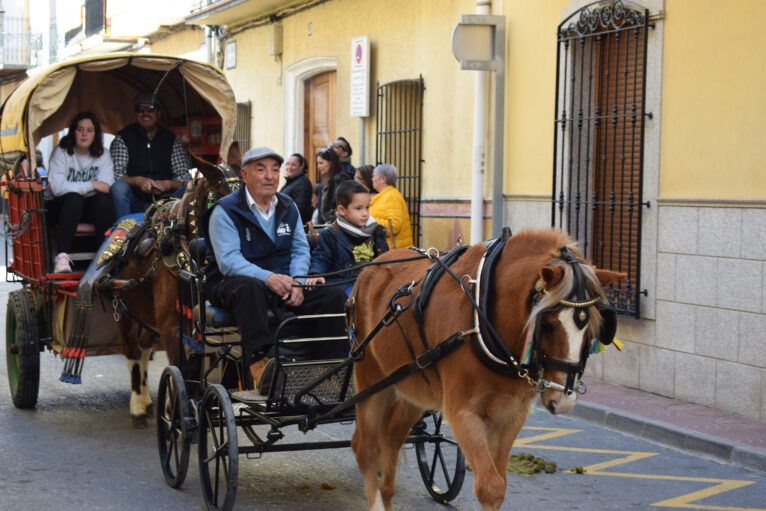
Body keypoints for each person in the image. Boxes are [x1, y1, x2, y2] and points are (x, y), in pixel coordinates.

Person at [201, 146, 348, 394]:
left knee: (332, 295)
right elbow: (229, 261)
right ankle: (261, 364)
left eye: (275, 170)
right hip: (235, 282)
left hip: (284, 280)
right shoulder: (225, 210)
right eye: (261, 170)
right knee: (248, 288)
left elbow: (300, 249)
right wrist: (268, 278)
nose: (270, 176)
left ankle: (328, 368)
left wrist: (299, 281)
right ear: (245, 175)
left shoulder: (287, 206)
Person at [46, 111, 115, 273]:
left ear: (95, 134)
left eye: (90, 130)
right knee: (74, 198)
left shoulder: (103, 154)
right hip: (62, 208)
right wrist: (92, 184)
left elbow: (107, 186)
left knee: (103, 201)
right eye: (80, 129)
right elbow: (57, 187)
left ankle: (103, 255)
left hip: (89, 209)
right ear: (73, 132)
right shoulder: (61, 152)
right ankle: (62, 257)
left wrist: (78, 187)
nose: (85, 134)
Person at [110, 91, 190, 219]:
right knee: (118, 188)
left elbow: (185, 178)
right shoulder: (123, 138)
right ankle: (123, 233)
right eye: (140, 109)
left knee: (192, 189)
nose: (145, 113)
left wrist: (168, 184)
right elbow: (117, 176)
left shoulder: (171, 140)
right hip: (135, 201)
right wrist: (138, 181)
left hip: (167, 203)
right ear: (135, 113)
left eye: (151, 109)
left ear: (158, 113)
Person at [306, 181, 388, 296]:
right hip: (345, 283)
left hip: (373, 282)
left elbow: (386, 259)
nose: (365, 213)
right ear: (342, 210)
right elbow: (321, 257)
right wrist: (316, 273)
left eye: (367, 207)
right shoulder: (330, 234)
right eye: (358, 208)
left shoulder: (377, 231)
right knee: (358, 297)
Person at [369, 164, 413, 249]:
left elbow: (394, 226)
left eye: (374, 176)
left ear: (383, 179)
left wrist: (369, 221)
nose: (372, 179)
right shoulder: (385, 195)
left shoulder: (392, 196)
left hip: (393, 252)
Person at [315, 148, 350, 224]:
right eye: (317, 163)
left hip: (334, 226)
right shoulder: (326, 179)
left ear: (331, 163)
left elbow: (339, 206)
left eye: (321, 163)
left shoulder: (339, 179)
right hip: (325, 225)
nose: (318, 166)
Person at [279, 153, 313, 223]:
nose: (289, 167)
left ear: (302, 166)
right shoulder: (292, 181)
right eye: (288, 164)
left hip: (293, 225)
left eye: (293, 165)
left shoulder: (302, 184)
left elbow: (299, 209)